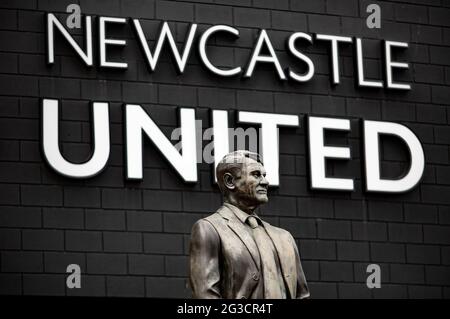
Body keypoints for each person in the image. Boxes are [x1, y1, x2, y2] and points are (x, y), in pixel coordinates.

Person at [189, 150, 309, 299]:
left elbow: (302, 295)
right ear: (230, 182)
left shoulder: (285, 238)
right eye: (256, 175)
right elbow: (205, 296)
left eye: (264, 175)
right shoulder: (209, 229)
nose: (265, 182)